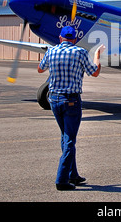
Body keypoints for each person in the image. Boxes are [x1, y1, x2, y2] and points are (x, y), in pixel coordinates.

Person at [37, 25, 105, 191]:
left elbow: (40, 69)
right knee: (69, 140)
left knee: (65, 136)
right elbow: (94, 72)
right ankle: (62, 179)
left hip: (53, 99)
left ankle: (73, 174)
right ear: (74, 39)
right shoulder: (80, 52)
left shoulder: (51, 51)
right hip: (71, 101)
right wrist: (97, 56)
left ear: (60, 38)